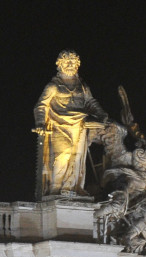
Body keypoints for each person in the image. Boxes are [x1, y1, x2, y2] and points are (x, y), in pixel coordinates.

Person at [34, 50, 108, 197]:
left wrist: (101, 114)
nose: (70, 64)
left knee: (77, 157)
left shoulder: (82, 86)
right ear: (60, 64)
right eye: (67, 61)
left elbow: (90, 102)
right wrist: (41, 122)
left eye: (73, 62)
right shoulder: (53, 86)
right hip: (59, 125)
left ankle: (73, 188)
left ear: (77, 64)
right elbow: (41, 105)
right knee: (62, 155)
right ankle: (56, 188)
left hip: (79, 125)